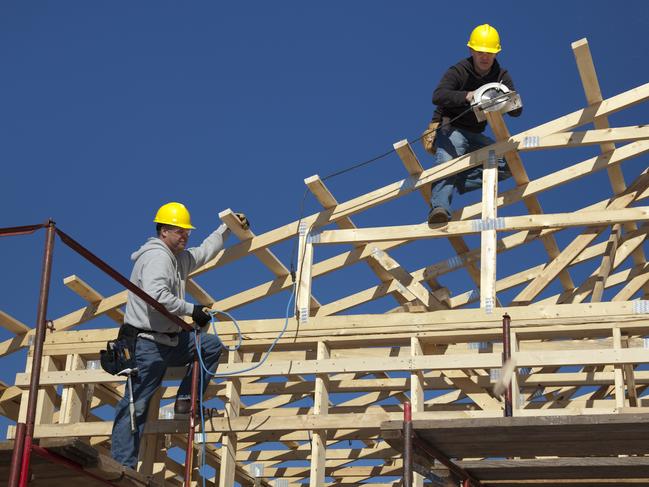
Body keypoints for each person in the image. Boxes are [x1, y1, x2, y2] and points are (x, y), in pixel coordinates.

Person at [111, 201, 248, 469]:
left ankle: (186, 401)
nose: (185, 235)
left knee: (208, 345)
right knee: (135, 405)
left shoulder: (177, 259)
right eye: (179, 231)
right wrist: (192, 310)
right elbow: (155, 297)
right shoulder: (157, 257)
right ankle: (123, 467)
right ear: (163, 231)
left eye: (186, 231)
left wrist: (227, 228)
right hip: (146, 345)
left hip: (170, 341)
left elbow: (204, 251)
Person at [427, 23, 522, 224]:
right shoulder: (459, 71)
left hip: (476, 133)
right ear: (471, 50)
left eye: (489, 52)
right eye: (480, 52)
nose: (485, 57)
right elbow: (438, 95)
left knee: (508, 164)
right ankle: (440, 208)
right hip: (451, 128)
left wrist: (504, 99)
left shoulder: (501, 77)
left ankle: (456, 181)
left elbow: (517, 110)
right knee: (447, 163)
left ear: (496, 53)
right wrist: (467, 96)